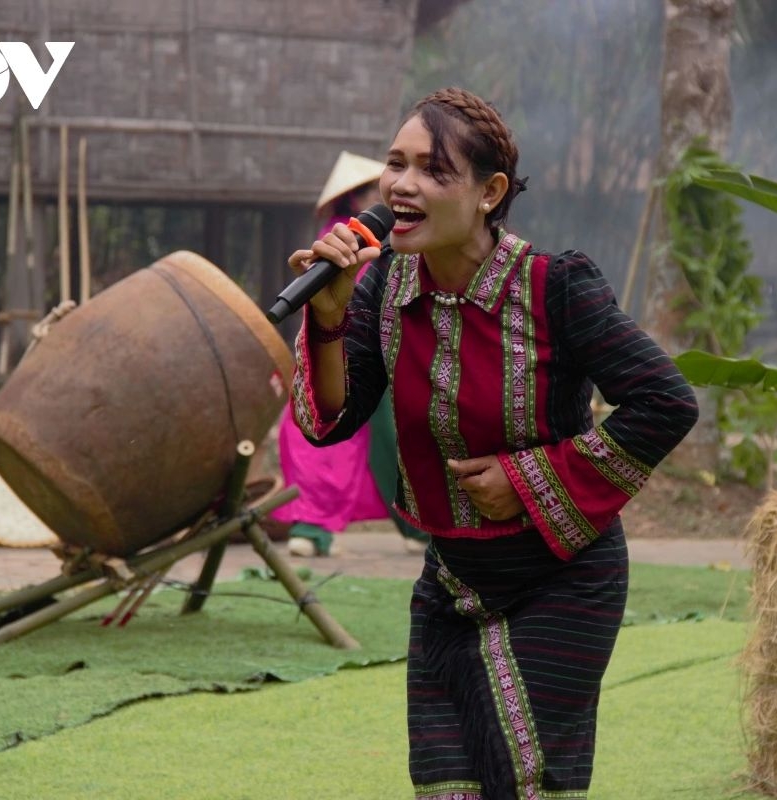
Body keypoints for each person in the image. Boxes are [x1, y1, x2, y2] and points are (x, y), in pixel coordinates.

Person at [285, 88, 698, 797]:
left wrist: (530, 479)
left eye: (433, 170)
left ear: (489, 192)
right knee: (448, 788)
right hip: (451, 585)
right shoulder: (381, 286)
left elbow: (666, 402)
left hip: (563, 579)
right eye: (396, 165)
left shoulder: (556, 289)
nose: (402, 185)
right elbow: (331, 419)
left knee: (521, 781)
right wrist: (327, 317)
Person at [271, 151, 428, 557]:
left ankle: (418, 528)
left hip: (381, 353)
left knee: (393, 445)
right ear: (350, 199)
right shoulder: (338, 237)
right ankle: (313, 527)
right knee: (320, 438)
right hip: (337, 353)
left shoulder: (395, 243)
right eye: (362, 191)